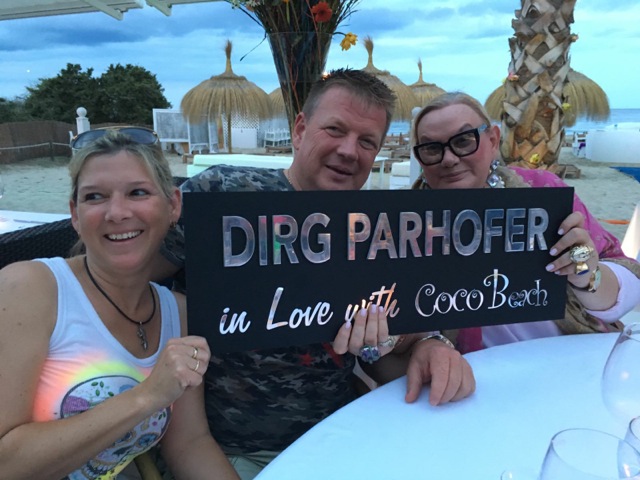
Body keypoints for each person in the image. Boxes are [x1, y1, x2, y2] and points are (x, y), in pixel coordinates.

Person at [159, 68, 476, 479]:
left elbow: (376, 351)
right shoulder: (223, 194)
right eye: (335, 130)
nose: (349, 151)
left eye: (367, 141)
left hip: (340, 437)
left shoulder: (372, 229)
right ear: (300, 129)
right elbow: (131, 286)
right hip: (230, 450)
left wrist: (428, 345)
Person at [0, 129, 239, 479]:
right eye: (95, 197)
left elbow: (189, 444)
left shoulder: (179, 314)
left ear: (173, 205)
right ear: (75, 214)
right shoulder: (30, 288)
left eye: (137, 192)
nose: (117, 212)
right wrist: (146, 397)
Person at [410, 91, 640, 352]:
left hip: (571, 356)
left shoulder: (542, 192)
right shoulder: (404, 226)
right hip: (468, 371)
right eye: (431, 148)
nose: (449, 159)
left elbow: (625, 288)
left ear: (493, 140)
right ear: (420, 158)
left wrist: (587, 276)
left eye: (463, 141)